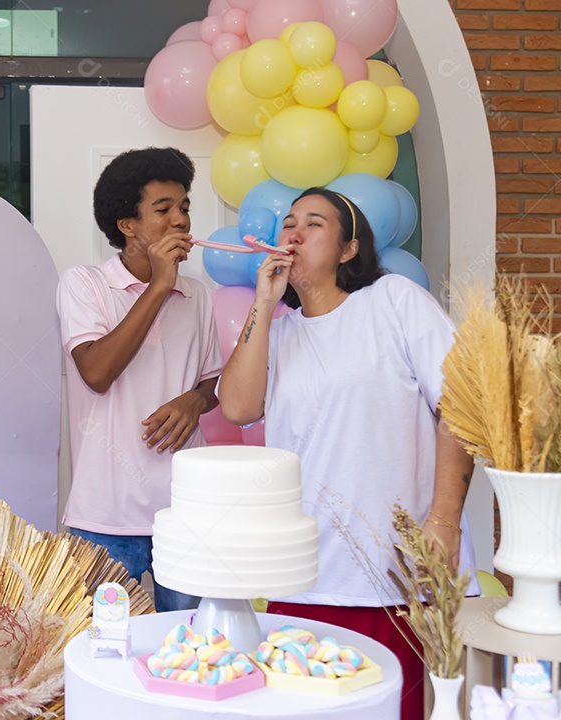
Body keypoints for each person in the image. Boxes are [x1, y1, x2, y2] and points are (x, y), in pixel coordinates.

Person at [218, 187, 479, 720]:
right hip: (307, 579)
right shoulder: (280, 331)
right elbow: (238, 407)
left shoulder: (393, 301)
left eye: (313, 224)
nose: (293, 233)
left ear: (348, 249)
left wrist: (445, 521)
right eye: (288, 223)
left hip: (400, 576)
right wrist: (264, 304)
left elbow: (463, 404)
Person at [57, 147, 223, 612]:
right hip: (105, 514)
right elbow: (97, 371)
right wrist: (158, 287)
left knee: (192, 648)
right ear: (127, 225)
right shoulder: (84, 284)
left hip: (186, 511)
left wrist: (194, 402)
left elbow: (210, 385)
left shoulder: (199, 295)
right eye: (163, 210)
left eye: (185, 207)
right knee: (102, 651)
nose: (181, 221)